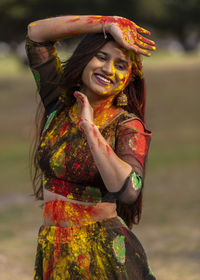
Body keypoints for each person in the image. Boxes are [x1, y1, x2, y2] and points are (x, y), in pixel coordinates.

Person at [26, 15, 156, 280]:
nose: (109, 69)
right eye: (101, 57)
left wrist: (90, 128)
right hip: (53, 247)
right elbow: (36, 34)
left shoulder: (127, 126)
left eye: (121, 65)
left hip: (101, 253)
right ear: (85, 58)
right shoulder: (59, 104)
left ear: (129, 79)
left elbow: (129, 190)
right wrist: (108, 24)